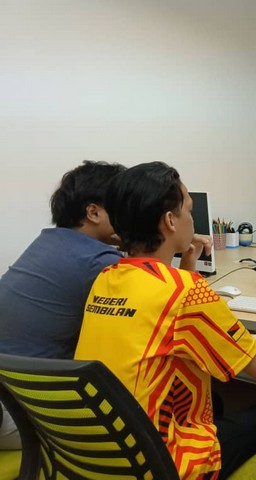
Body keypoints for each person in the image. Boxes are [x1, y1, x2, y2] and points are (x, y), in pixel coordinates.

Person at [74, 162, 256, 480]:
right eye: (189, 210)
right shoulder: (185, 292)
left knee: (216, 402)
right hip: (156, 464)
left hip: (99, 453)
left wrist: (187, 267)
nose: (193, 219)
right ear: (170, 221)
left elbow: (163, 319)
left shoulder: (106, 277)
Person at [0, 160, 126, 450]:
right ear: (93, 212)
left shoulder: (47, 241)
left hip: (7, 396)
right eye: (123, 207)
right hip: (24, 416)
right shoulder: (100, 261)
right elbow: (164, 309)